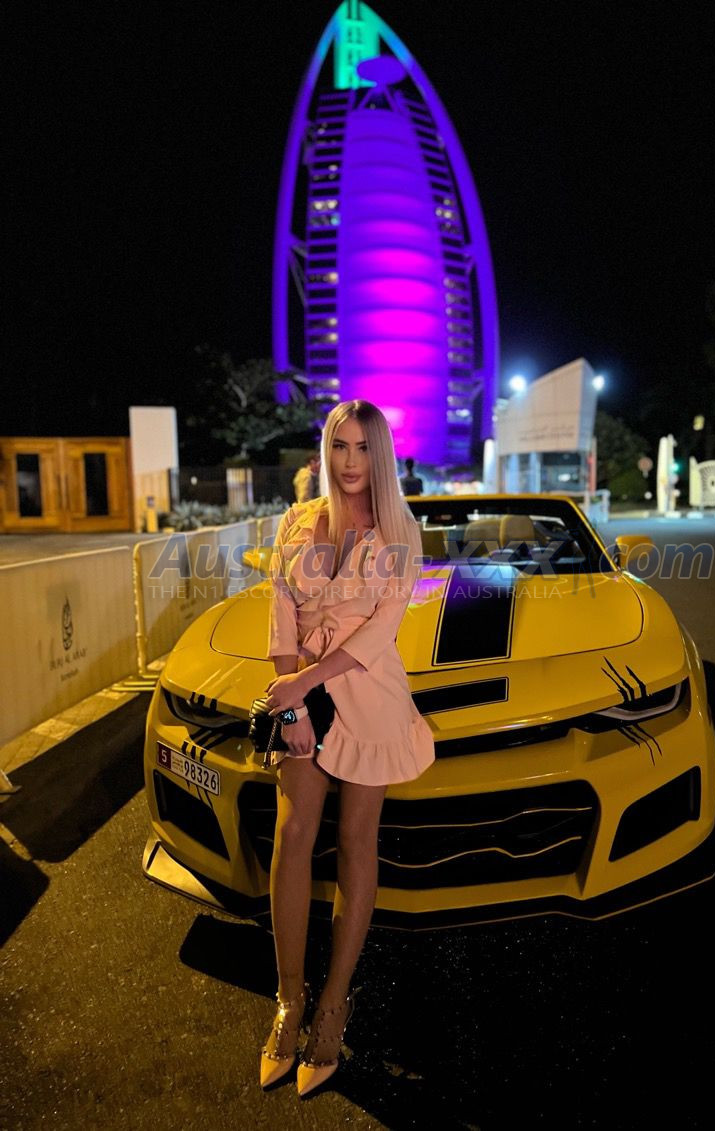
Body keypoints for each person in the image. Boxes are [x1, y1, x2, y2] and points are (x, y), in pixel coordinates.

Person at [261, 399, 435, 1097]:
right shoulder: (297, 521)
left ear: (380, 454)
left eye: (364, 447)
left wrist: (303, 684)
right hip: (300, 697)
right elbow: (280, 612)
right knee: (294, 833)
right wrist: (291, 702)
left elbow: (379, 633)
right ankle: (289, 999)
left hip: (367, 693)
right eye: (340, 446)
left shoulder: (401, 530)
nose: (351, 461)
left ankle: (333, 1004)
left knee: (357, 843)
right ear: (325, 451)